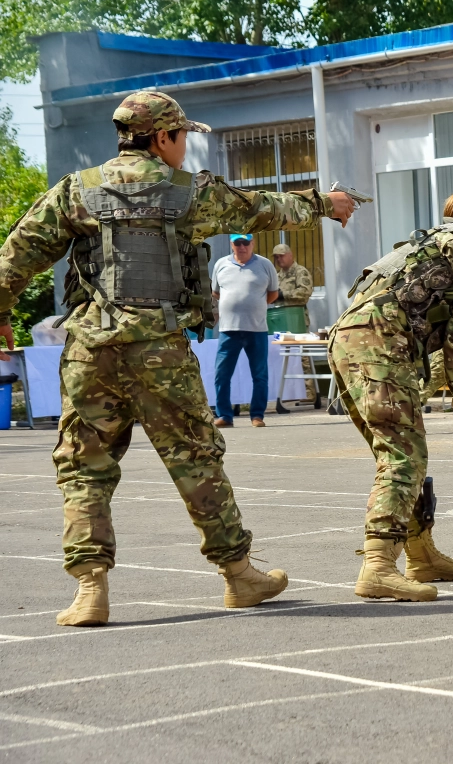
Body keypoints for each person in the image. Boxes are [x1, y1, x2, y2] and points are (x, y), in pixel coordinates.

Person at [0, 90, 357, 626]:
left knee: (84, 467)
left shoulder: (77, 191)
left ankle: (90, 591)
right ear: (161, 137)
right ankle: (239, 576)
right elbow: (262, 209)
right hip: (160, 350)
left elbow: (17, 253)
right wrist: (325, 203)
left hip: (91, 351)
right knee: (196, 459)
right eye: (183, 137)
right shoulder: (192, 193)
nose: (186, 147)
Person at [329, 177, 453, 602]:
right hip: (381, 342)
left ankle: (420, 554)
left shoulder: (449, 238)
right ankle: (379, 566)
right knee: (405, 454)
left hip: (351, 337)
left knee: (401, 450)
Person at [212, 234, 278, 427]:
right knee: (221, 374)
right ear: (231, 244)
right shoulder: (221, 264)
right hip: (228, 329)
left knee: (259, 374)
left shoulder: (265, 265)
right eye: (238, 243)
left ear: (253, 243)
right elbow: (216, 292)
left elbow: (273, 293)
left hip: (256, 328)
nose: (242, 247)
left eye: (245, 242)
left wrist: (255, 305)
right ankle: (224, 415)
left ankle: (257, 415)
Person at [272, 242, 320, 409]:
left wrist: (282, 295)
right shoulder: (278, 276)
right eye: (276, 257)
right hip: (281, 318)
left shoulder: (300, 272)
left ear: (290, 255)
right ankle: (288, 392)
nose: (279, 259)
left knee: (303, 356)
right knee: (284, 358)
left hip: (296, 318)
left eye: (282, 255)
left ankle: (309, 394)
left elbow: (305, 293)